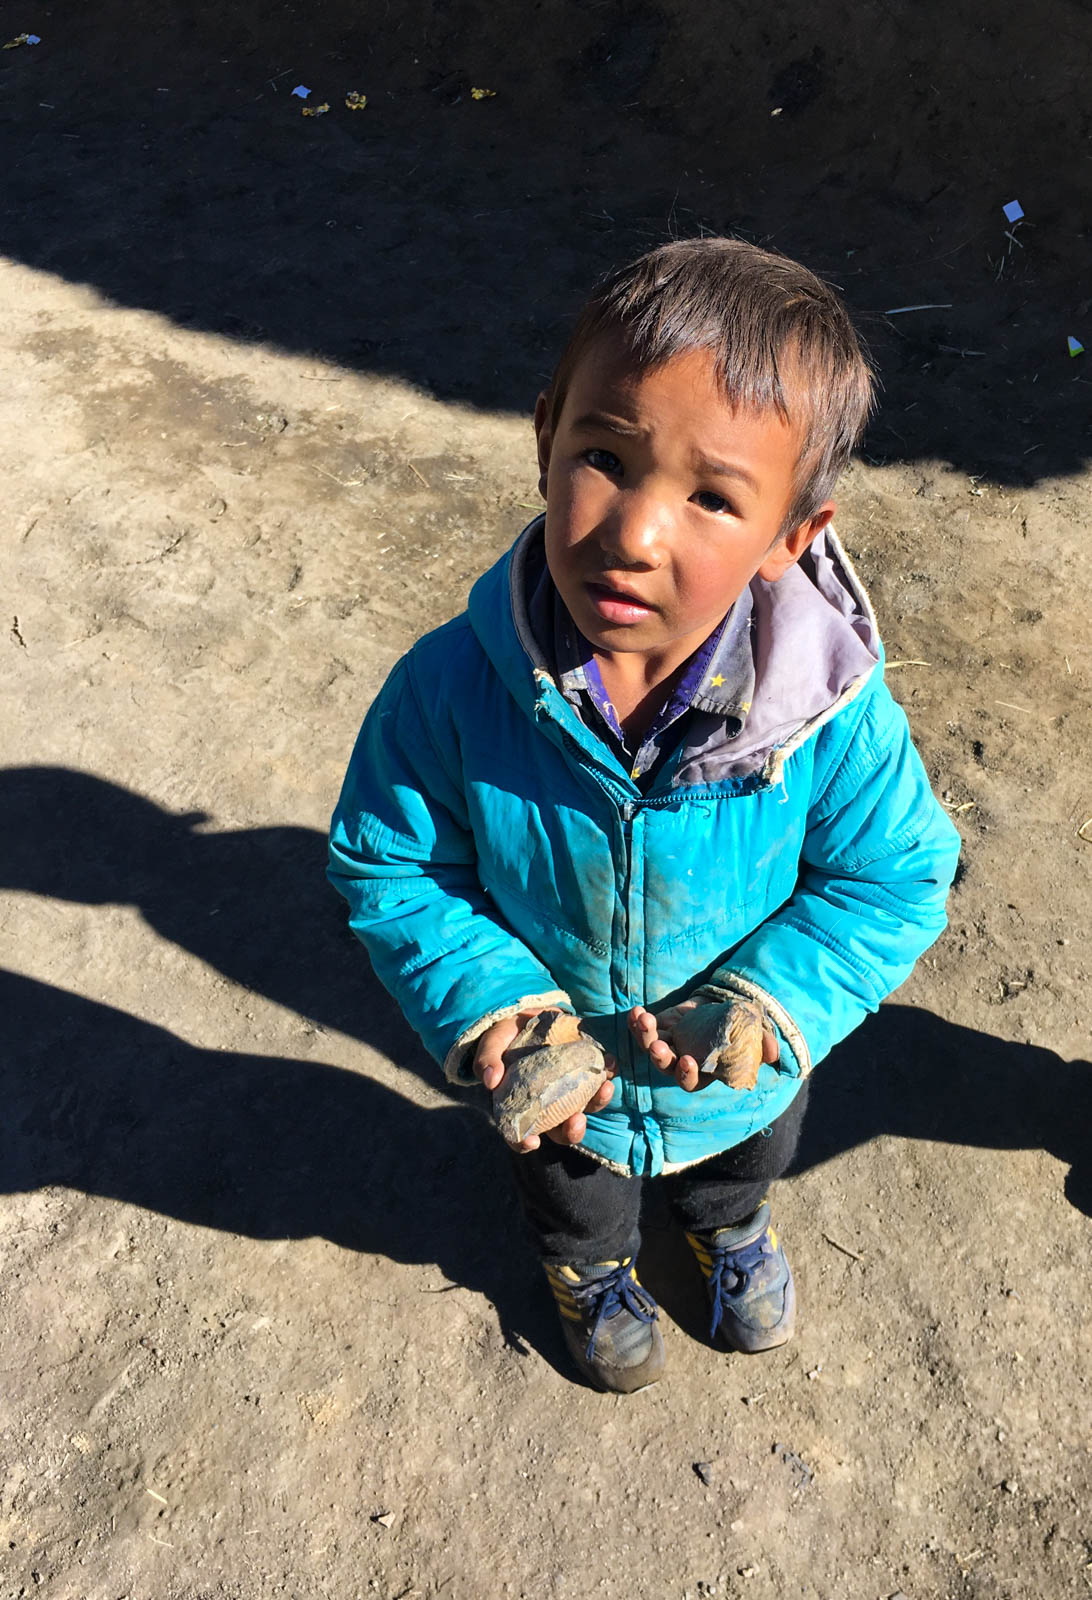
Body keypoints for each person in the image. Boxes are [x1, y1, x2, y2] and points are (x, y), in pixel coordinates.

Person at [328, 237, 961, 1393]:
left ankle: (724, 1228)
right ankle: (594, 1272)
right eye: (606, 458)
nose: (634, 532)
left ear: (790, 538)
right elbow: (389, 862)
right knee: (572, 1188)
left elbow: (901, 868)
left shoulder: (821, 715)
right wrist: (501, 1012)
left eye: (713, 496)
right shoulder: (454, 688)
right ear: (543, 439)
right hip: (567, 1077)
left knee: (746, 1156)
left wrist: (771, 1000)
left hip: (741, 1064)